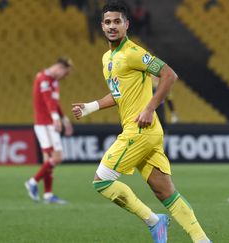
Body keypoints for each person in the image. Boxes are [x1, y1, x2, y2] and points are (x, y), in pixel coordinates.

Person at [71, 1, 211, 243]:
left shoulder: (134, 53)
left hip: (140, 129)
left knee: (101, 181)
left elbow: (169, 75)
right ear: (102, 26)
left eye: (117, 21)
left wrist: (149, 108)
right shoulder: (108, 58)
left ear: (127, 24)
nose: (112, 26)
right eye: (108, 22)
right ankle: (202, 240)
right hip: (148, 132)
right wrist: (91, 107)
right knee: (165, 192)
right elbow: (119, 94)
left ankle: (154, 221)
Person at [25, 57, 74, 204]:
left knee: (48, 161)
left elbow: (54, 103)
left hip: (49, 123)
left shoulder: (53, 81)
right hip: (45, 124)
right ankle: (32, 182)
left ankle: (48, 195)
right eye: (65, 74)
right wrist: (55, 118)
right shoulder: (43, 78)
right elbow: (47, 100)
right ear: (60, 68)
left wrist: (64, 119)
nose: (64, 77)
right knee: (58, 157)